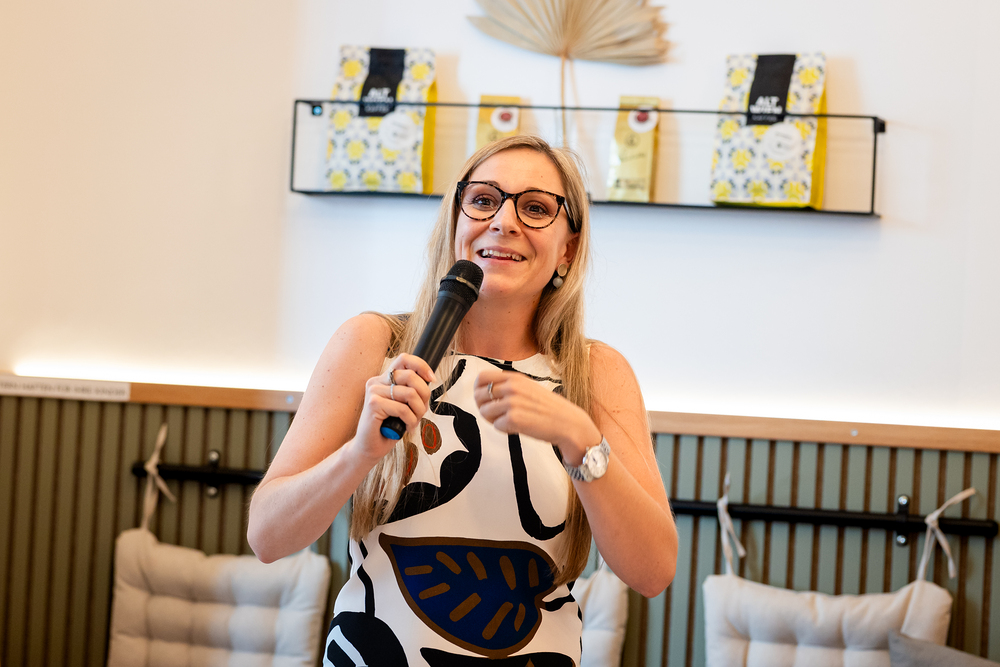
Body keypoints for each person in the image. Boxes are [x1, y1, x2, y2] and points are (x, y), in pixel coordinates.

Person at [248, 135, 678, 666]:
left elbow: (653, 572)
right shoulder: (372, 345)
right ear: (455, 221)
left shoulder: (597, 373)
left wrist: (580, 438)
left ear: (568, 249)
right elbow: (267, 537)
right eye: (483, 200)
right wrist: (358, 454)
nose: (504, 221)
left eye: (535, 208)